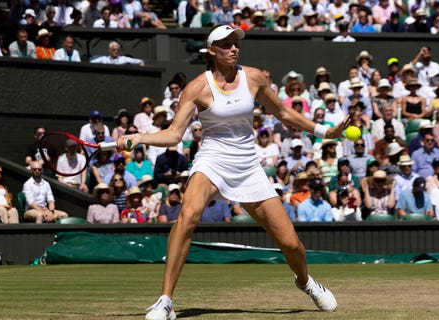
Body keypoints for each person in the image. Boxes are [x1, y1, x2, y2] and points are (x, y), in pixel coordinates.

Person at [117, 25, 340, 319]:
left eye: (235, 43)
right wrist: (141, 137)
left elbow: (283, 113)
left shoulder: (255, 77)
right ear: (211, 51)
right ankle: (165, 300)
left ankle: (305, 282)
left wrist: (325, 131)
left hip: (248, 166)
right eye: (225, 44)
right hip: (212, 161)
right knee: (188, 215)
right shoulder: (196, 87)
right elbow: (173, 135)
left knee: (292, 245)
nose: (233, 48)